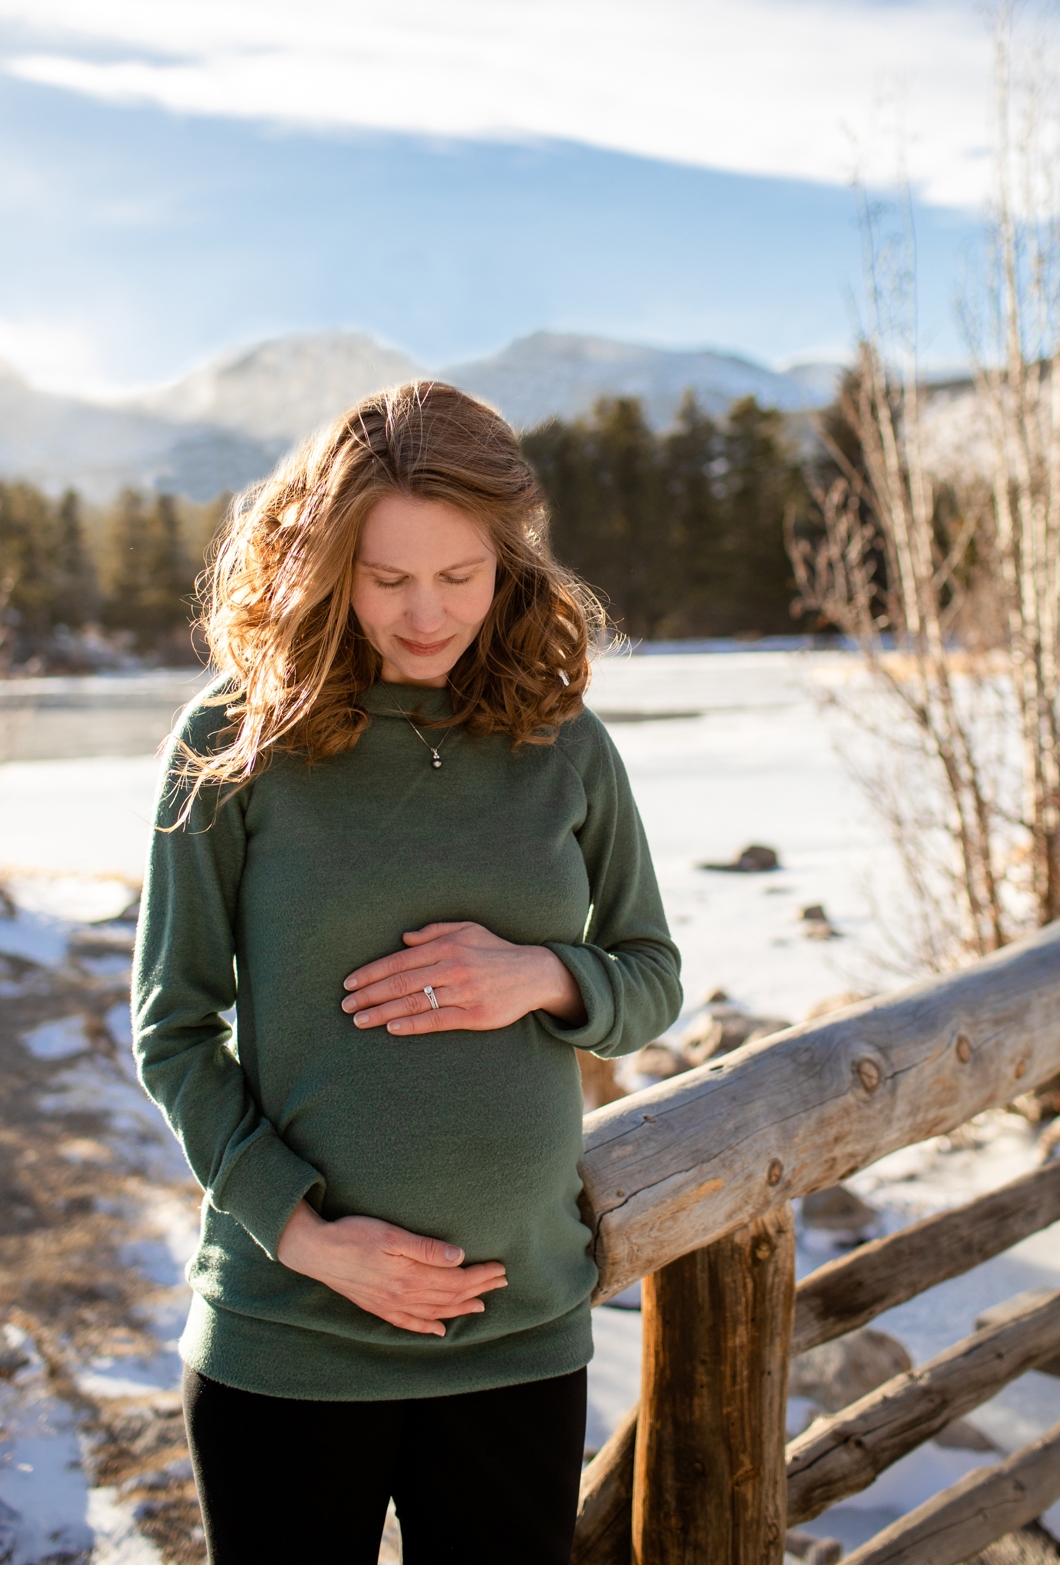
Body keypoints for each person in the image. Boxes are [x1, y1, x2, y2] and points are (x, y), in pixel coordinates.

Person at [131, 380, 684, 1563]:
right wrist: (311, 1236)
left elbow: (651, 978)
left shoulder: (564, 741)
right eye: (387, 581)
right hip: (287, 1340)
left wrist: (539, 974)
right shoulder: (235, 744)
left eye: (460, 578)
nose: (427, 615)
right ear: (326, 566)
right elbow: (173, 1032)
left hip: (519, 1334)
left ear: (510, 564)